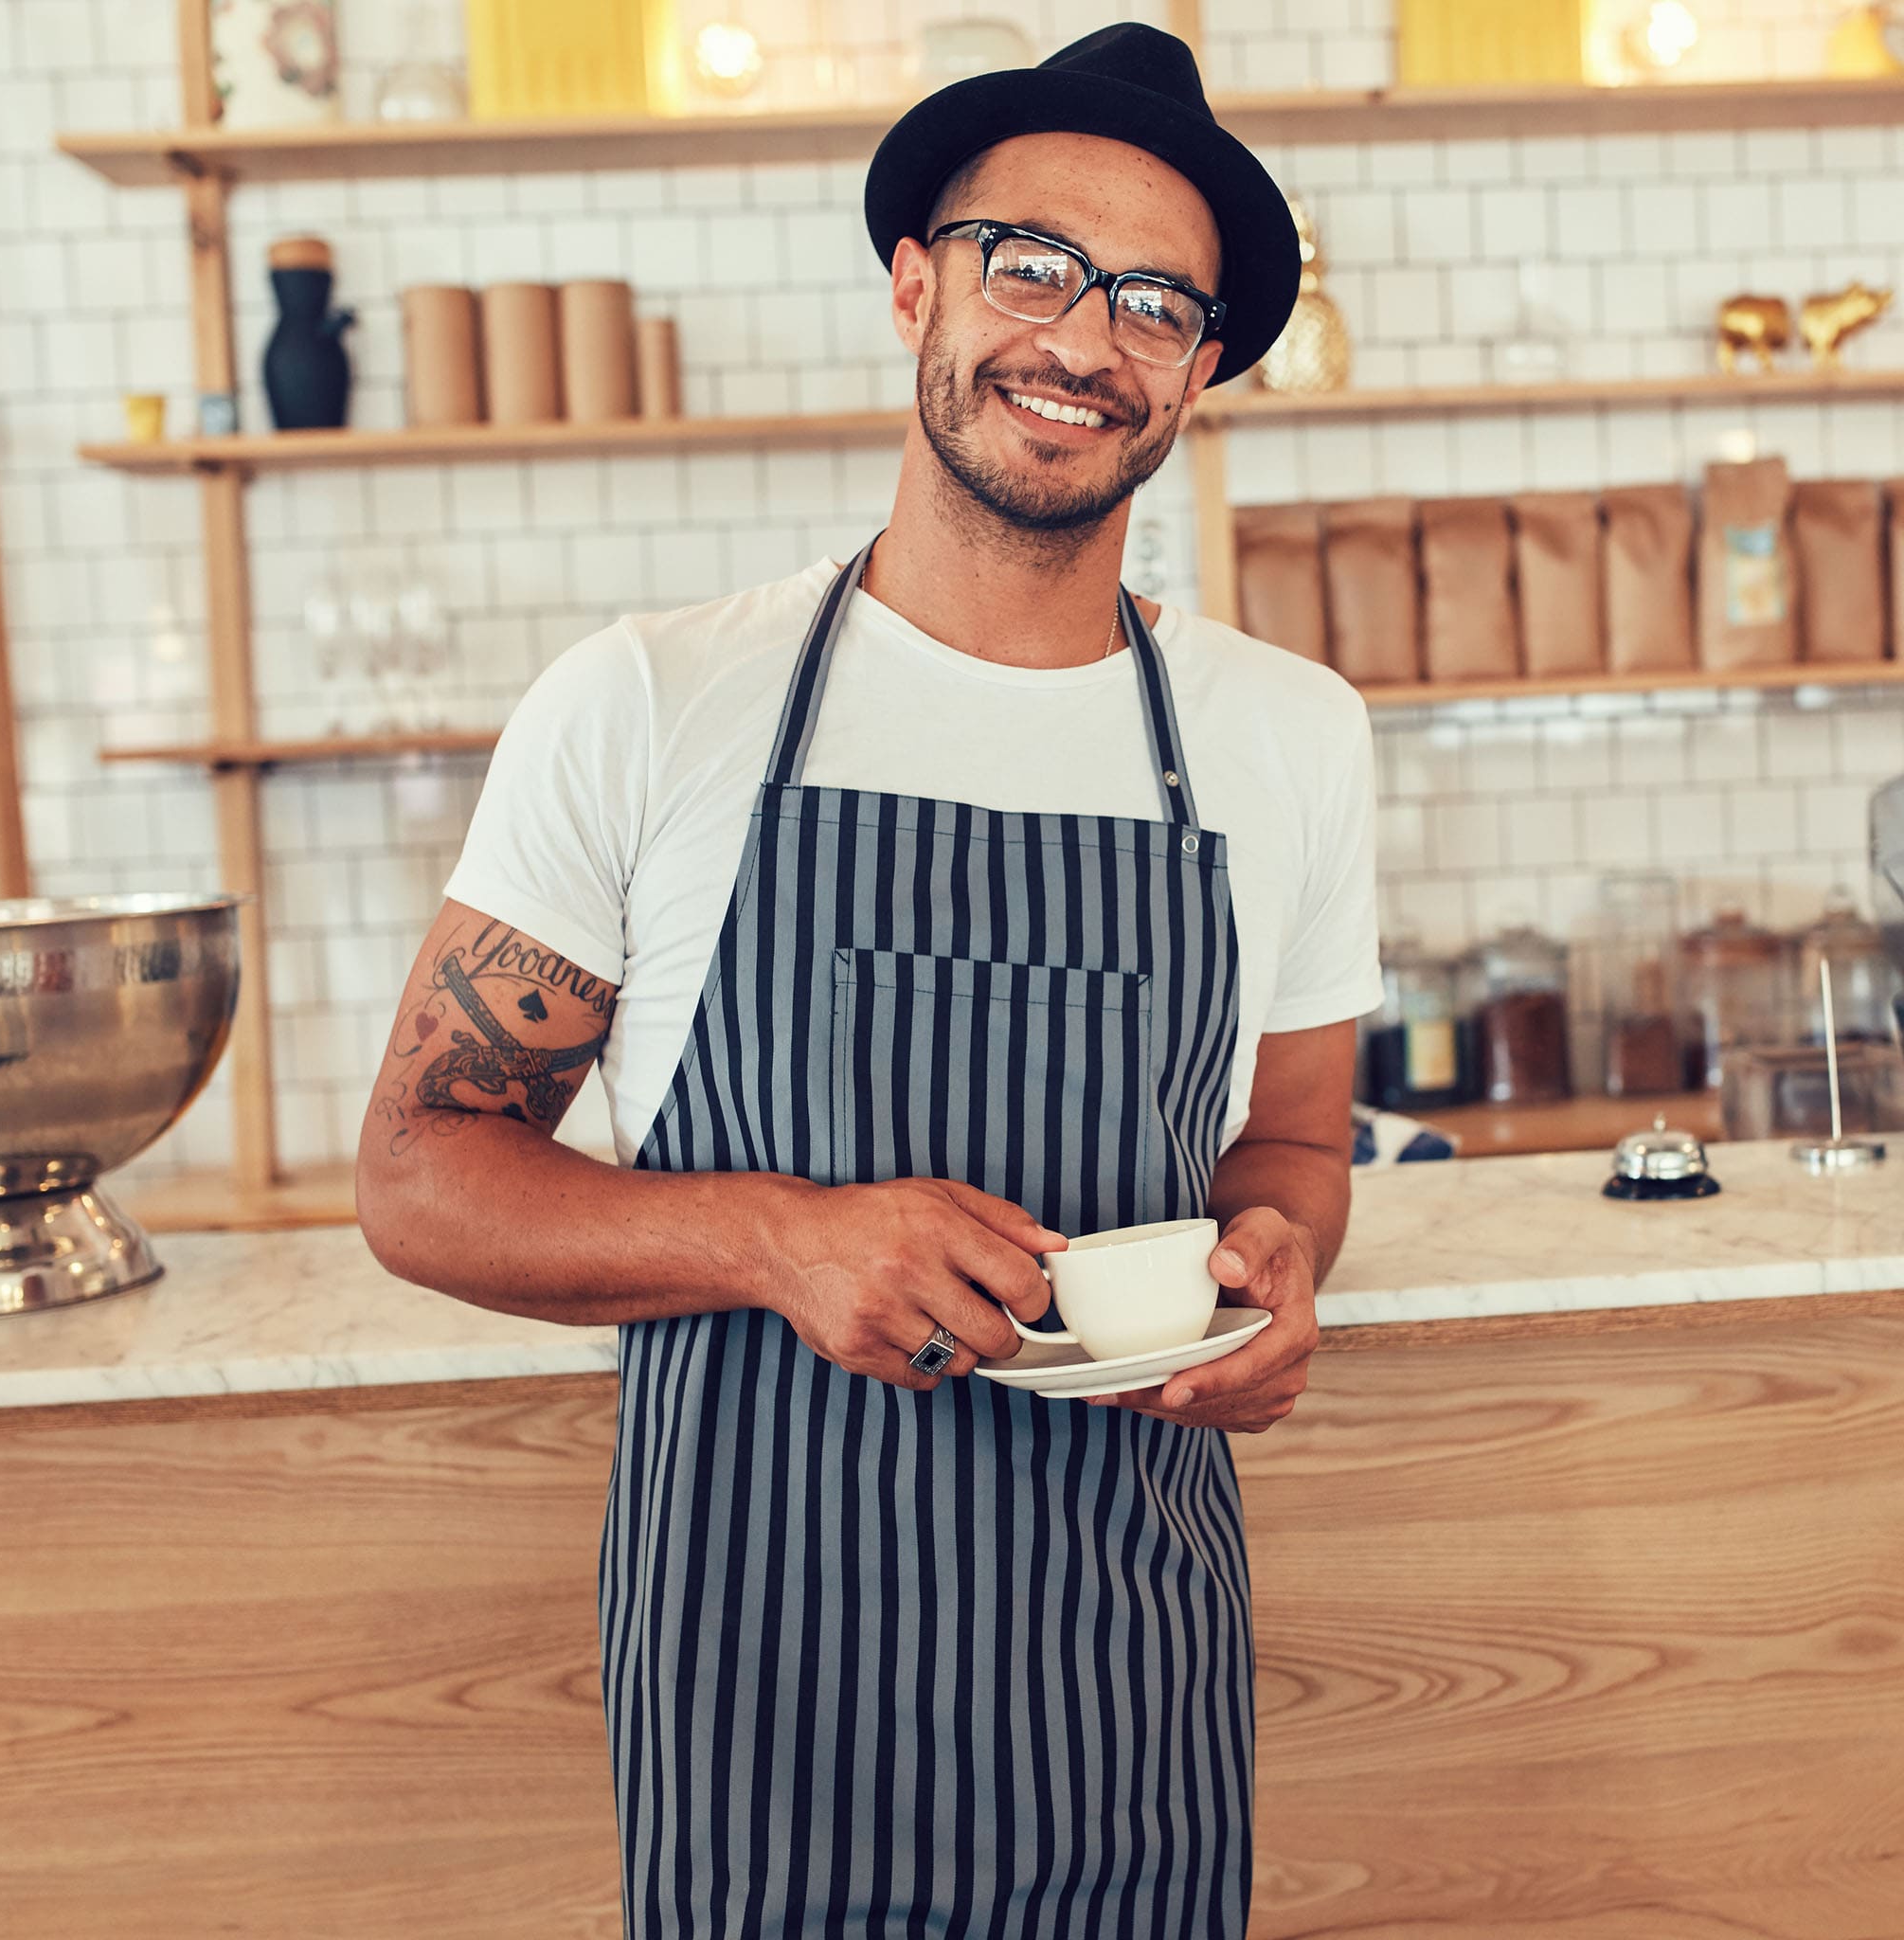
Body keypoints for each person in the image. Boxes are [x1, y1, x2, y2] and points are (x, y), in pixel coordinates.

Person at [357, 21, 1381, 1937]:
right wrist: (782, 1241)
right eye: (1033, 263)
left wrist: (1276, 1267)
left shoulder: (1288, 736)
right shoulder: (652, 701)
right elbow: (419, 1173)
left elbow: (1294, 1138)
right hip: (758, 1678)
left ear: (1202, 371)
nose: (1084, 339)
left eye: (1158, 302)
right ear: (915, 279)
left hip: (1121, 1665)